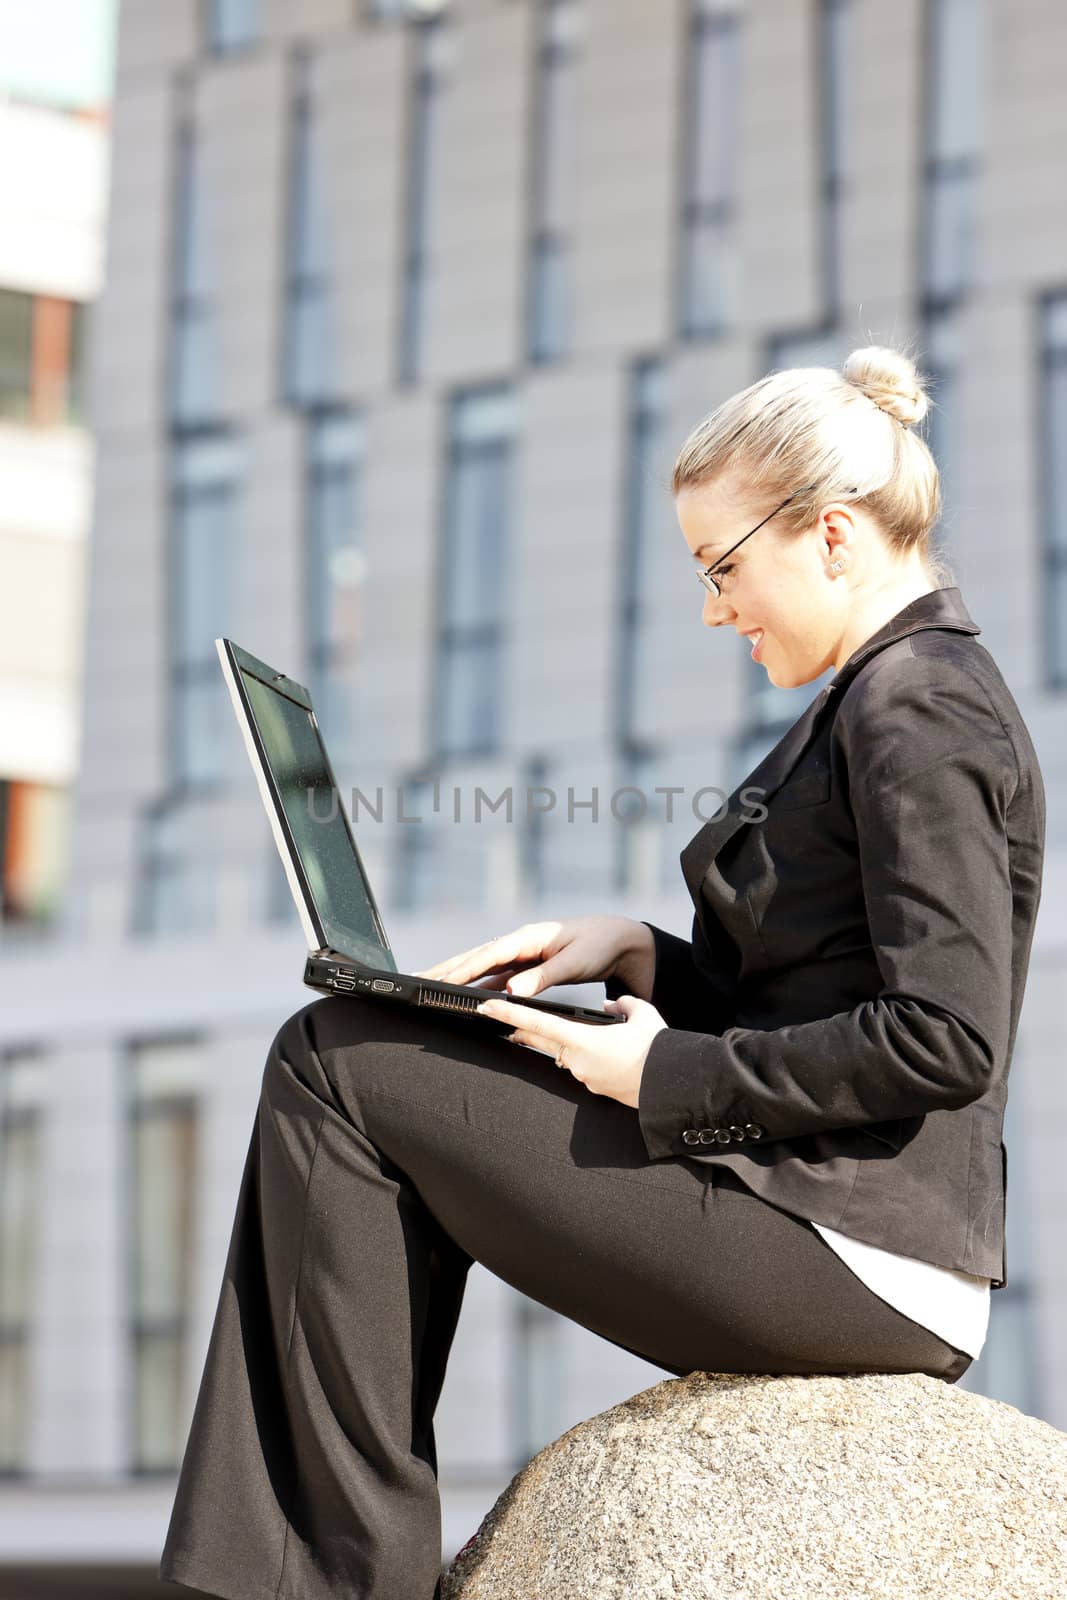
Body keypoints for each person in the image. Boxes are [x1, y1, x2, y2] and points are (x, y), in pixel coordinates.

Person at [158, 346, 1045, 1600]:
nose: (712, 609)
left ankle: (321, 1580)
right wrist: (639, 956)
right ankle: (325, 1568)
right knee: (363, 1051)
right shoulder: (887, 696)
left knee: (338, 1064)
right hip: (830, 1223)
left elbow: (940, 1036)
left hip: (856, 1257)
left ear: (832, 537)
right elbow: (831, 993)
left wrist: (661, 1072)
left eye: (721, 567)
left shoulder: (916, 708)